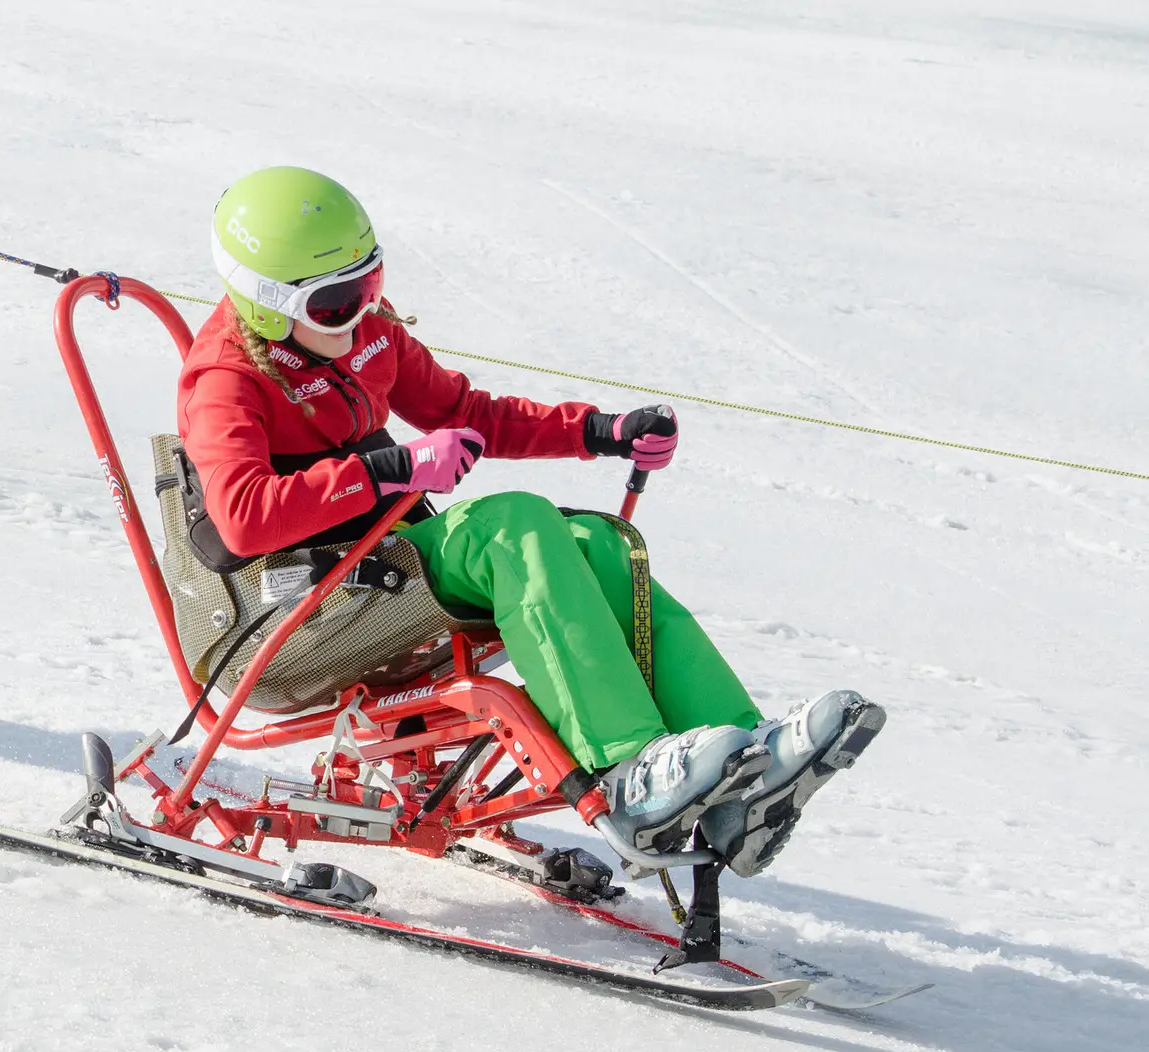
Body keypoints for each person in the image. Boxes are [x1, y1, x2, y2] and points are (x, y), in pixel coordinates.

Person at [176, 166, 884, 877]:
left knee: (596, 543)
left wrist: (597, 431)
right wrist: (392, 469)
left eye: (370, 286)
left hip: (381, 572)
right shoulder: (227, 380)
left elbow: (469, 414)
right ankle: (627, 770)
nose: (362, 314)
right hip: (291, 617)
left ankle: (742, 765)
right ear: (267, 306)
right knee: (508, 526)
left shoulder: (365, 340)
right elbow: (241, 519)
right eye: (336, 304)